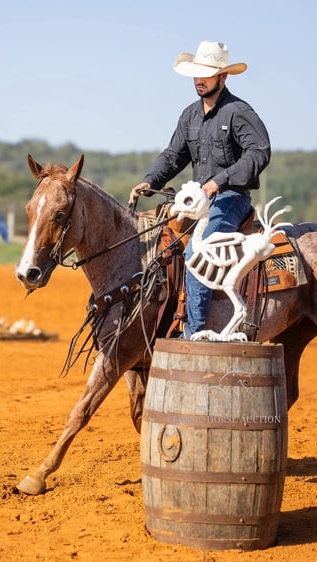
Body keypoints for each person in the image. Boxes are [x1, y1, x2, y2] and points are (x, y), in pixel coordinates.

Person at [129, 40, 271, 338]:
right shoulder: (189, 115)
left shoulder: (238, 111)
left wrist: (219, 181)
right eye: (197, 73)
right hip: (195, 200)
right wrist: (151, 180)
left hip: (231, 199)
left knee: (196, 250)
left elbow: (259, 152)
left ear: (224, 76)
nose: (199, 79)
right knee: (155, 243)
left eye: (207, 73)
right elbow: (174, 155)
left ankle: (194, 331)